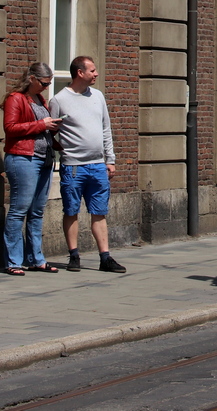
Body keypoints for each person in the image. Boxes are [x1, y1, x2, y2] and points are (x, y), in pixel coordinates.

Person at [50, 55, 125, 273]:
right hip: (73, 165)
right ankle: (74, 255)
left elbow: (105, 129)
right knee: (71, 210)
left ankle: (105, 257)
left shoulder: (98, 96)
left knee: (99, 211)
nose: (96, 74)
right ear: (79, 73)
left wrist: (110, 160)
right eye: (92, 70)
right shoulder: (59, 100)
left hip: (97, 165)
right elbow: (52, 131)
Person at [1, 63, 62, 277]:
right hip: (23, 159)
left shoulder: (40, 100)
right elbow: (10, 128)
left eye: (49, 83)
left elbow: (41, 130)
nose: (47, 87)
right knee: (19, 210)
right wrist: (42, 125)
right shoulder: (15, 98)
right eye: (44, 83)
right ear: (32, 79)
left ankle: (36, 259)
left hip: (44, 159)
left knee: (37, 211)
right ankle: (13, 261)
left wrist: (55, 135)